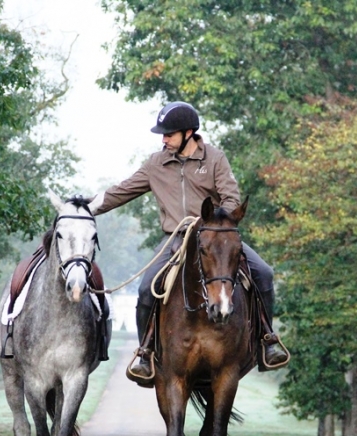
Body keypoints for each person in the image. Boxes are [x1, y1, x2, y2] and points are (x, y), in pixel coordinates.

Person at [89, 101, 289, 384]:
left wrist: (215, 221)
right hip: (175, 238)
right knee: (147, 288)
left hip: (214, 237)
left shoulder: (215, 159)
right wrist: (87, 206)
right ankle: (145, 353)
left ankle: (266, 340)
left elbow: (231, 197)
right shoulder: (155, 164)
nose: (164, 139)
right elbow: (122, 191)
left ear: (188, 133)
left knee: (264, 273)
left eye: (169, 133)